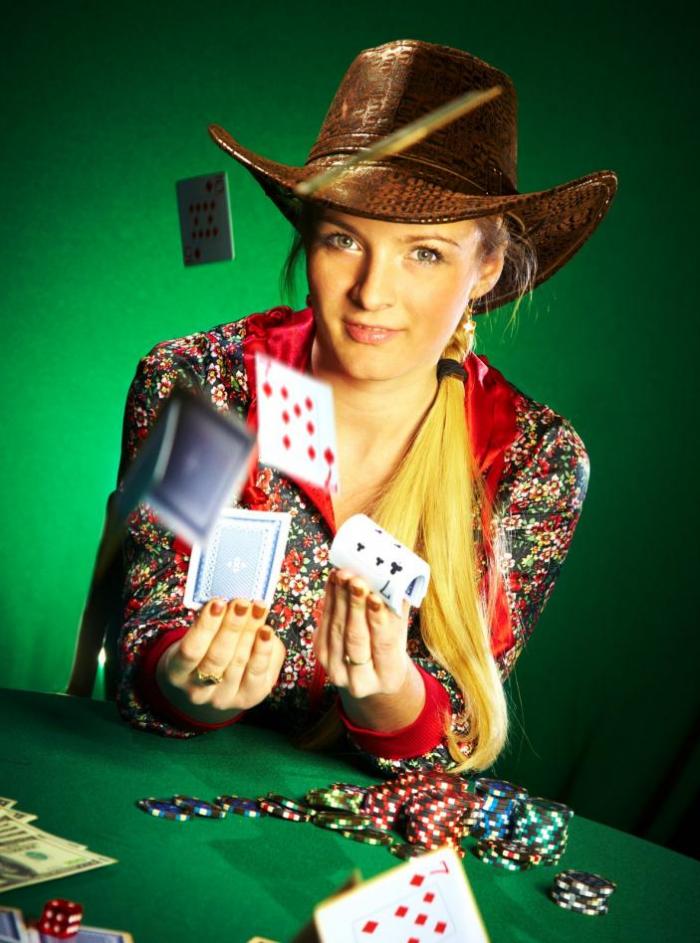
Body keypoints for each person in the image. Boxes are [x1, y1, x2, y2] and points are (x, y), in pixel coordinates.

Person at [115, 39, 617, 777]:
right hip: (167, 792)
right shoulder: (209, 386)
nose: (372, 292)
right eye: (345, 238)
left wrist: (391, 698)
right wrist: (186, 684)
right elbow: (150, 627)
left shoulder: (531, 457)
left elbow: (455, 732)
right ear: (308, 237)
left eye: (425, 253)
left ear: (486, 269)